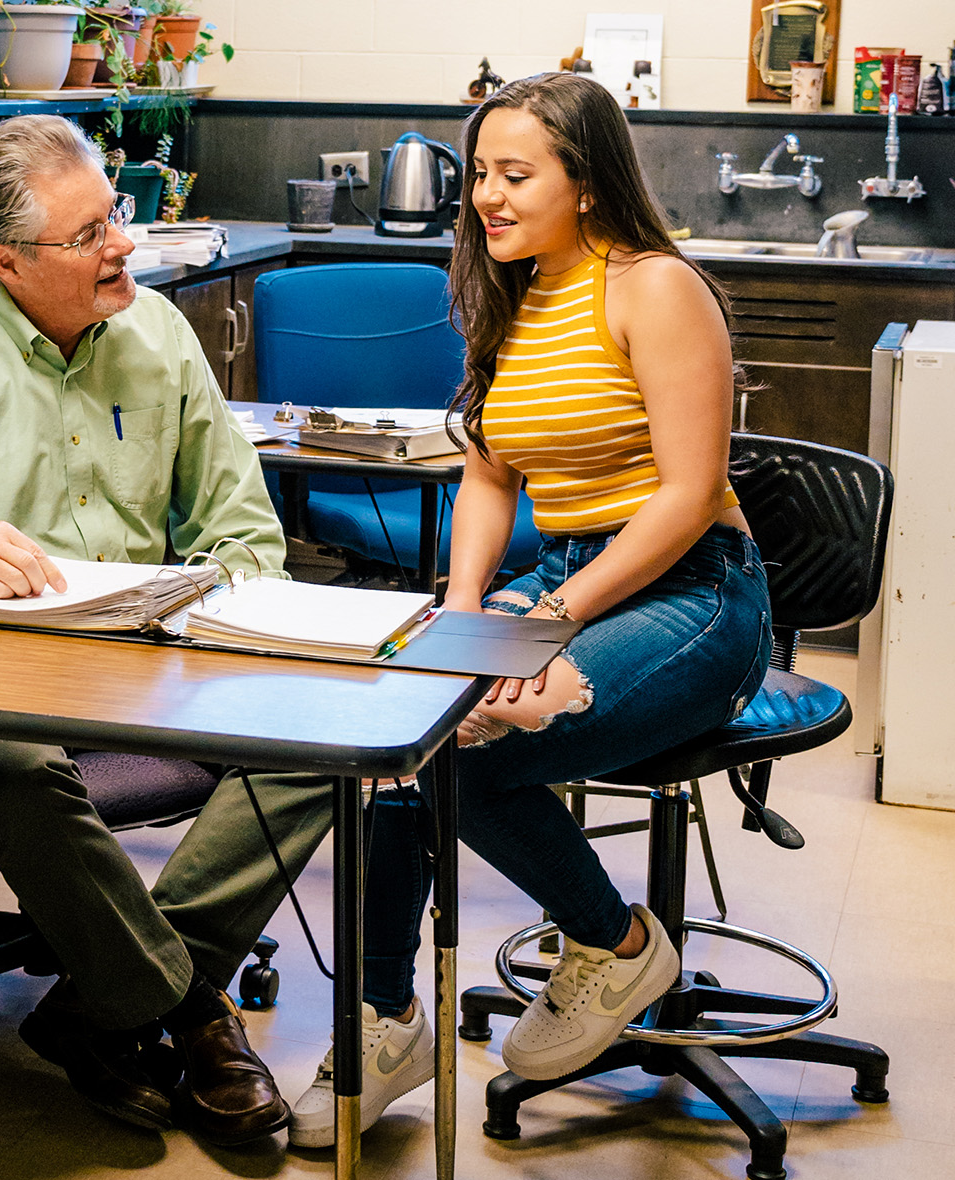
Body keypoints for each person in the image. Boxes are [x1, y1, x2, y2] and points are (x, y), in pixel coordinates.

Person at [0, 114, 327, 1145]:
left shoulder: (159, 333)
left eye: (115, 217)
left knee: (329, 738)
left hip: (148, 652)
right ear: (5, 262)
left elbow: (242, 528)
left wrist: (226, 614)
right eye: (89, 234)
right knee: (12, 766)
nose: (123, 244)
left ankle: (101, 1004)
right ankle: (190, 1014)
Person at [287, 73, 772, 1147]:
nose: (487, 201)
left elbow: (691, 497)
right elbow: (491, 476)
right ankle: (383, 1018)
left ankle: (610, 941)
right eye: (481, 179)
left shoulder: (654, 287)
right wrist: (461, 613)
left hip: (696, 592)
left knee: (468, 746)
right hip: (567, 580)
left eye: (517, 177)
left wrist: (550, 613)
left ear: (588, 184)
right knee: (409, 731)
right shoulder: (512, 293)